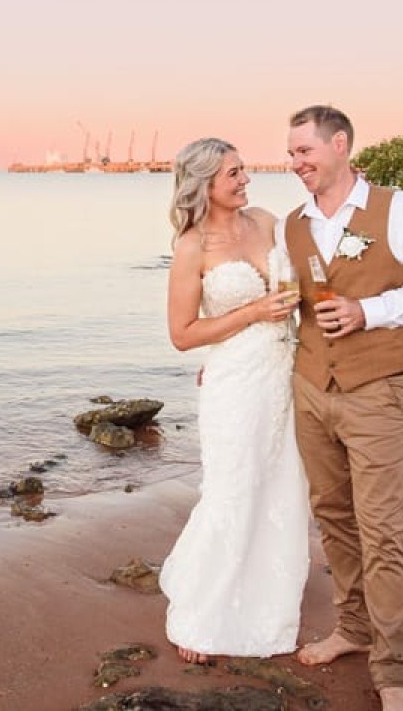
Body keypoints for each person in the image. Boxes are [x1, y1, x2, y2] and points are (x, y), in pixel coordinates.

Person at [284, 106, 403, 711]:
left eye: (304, 152)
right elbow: (295, 306)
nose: (295, 163)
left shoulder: (400, 207)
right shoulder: (294, 224)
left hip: (377, 391)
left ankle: (391, 673)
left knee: (383, 534)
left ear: (340, 145)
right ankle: (352, 629)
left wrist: (371, 311)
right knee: (333, 518)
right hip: (310, 389)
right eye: (290, 154)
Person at [159, 137, 310, 664]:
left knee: (280, 483)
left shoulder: (267, 221)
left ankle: (268, 598)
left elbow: (298, 286)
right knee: (231, 486)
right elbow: (182, 333)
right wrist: (252, 314)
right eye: (233, 174)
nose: (246, 179)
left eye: (244, 170)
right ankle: (202, 612)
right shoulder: (191, 247)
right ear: (205, 185)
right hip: (234, 382)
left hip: (284, 372)